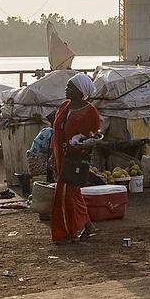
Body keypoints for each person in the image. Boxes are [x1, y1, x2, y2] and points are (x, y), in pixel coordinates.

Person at [51, 74, 100, 243]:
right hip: (60, 154)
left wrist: (82, 148)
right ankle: (82, 226)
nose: (66, 89)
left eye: (70, 86)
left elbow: (94, 137)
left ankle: (66, 232)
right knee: (71, 193)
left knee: (66, 193)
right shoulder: (64, 106)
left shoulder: (90, 111)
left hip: (75, 158)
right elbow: (57, 131)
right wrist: (53, 154)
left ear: (80, 91)